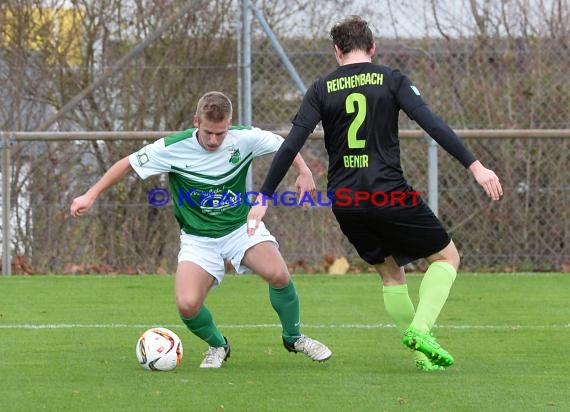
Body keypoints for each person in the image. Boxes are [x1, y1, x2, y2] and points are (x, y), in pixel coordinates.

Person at [246, 16, 503, 371]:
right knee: (447, 259)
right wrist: (476, 166)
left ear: (337, 50)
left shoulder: (321, 87)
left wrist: (263, 198)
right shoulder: (391, 79)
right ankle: (421, 329)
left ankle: (420, 355)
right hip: (388, 193)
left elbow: (291, 144)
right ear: (373, 47)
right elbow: (433, 124)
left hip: (346, 201)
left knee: (390, 274)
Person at [70, 91, 332, 368]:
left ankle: (294, 337)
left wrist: (303, 170)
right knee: (187, 305)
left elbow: (286, 144)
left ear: (229, 125)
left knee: (278, 273)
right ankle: (218, 345)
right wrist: (91, 194)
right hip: (198, 239)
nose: (213, 140)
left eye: (220, 133)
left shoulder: (244, 139)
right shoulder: (173, 147)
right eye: (208, 132)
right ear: (196, 121)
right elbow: (127, 164)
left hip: (239, 229)